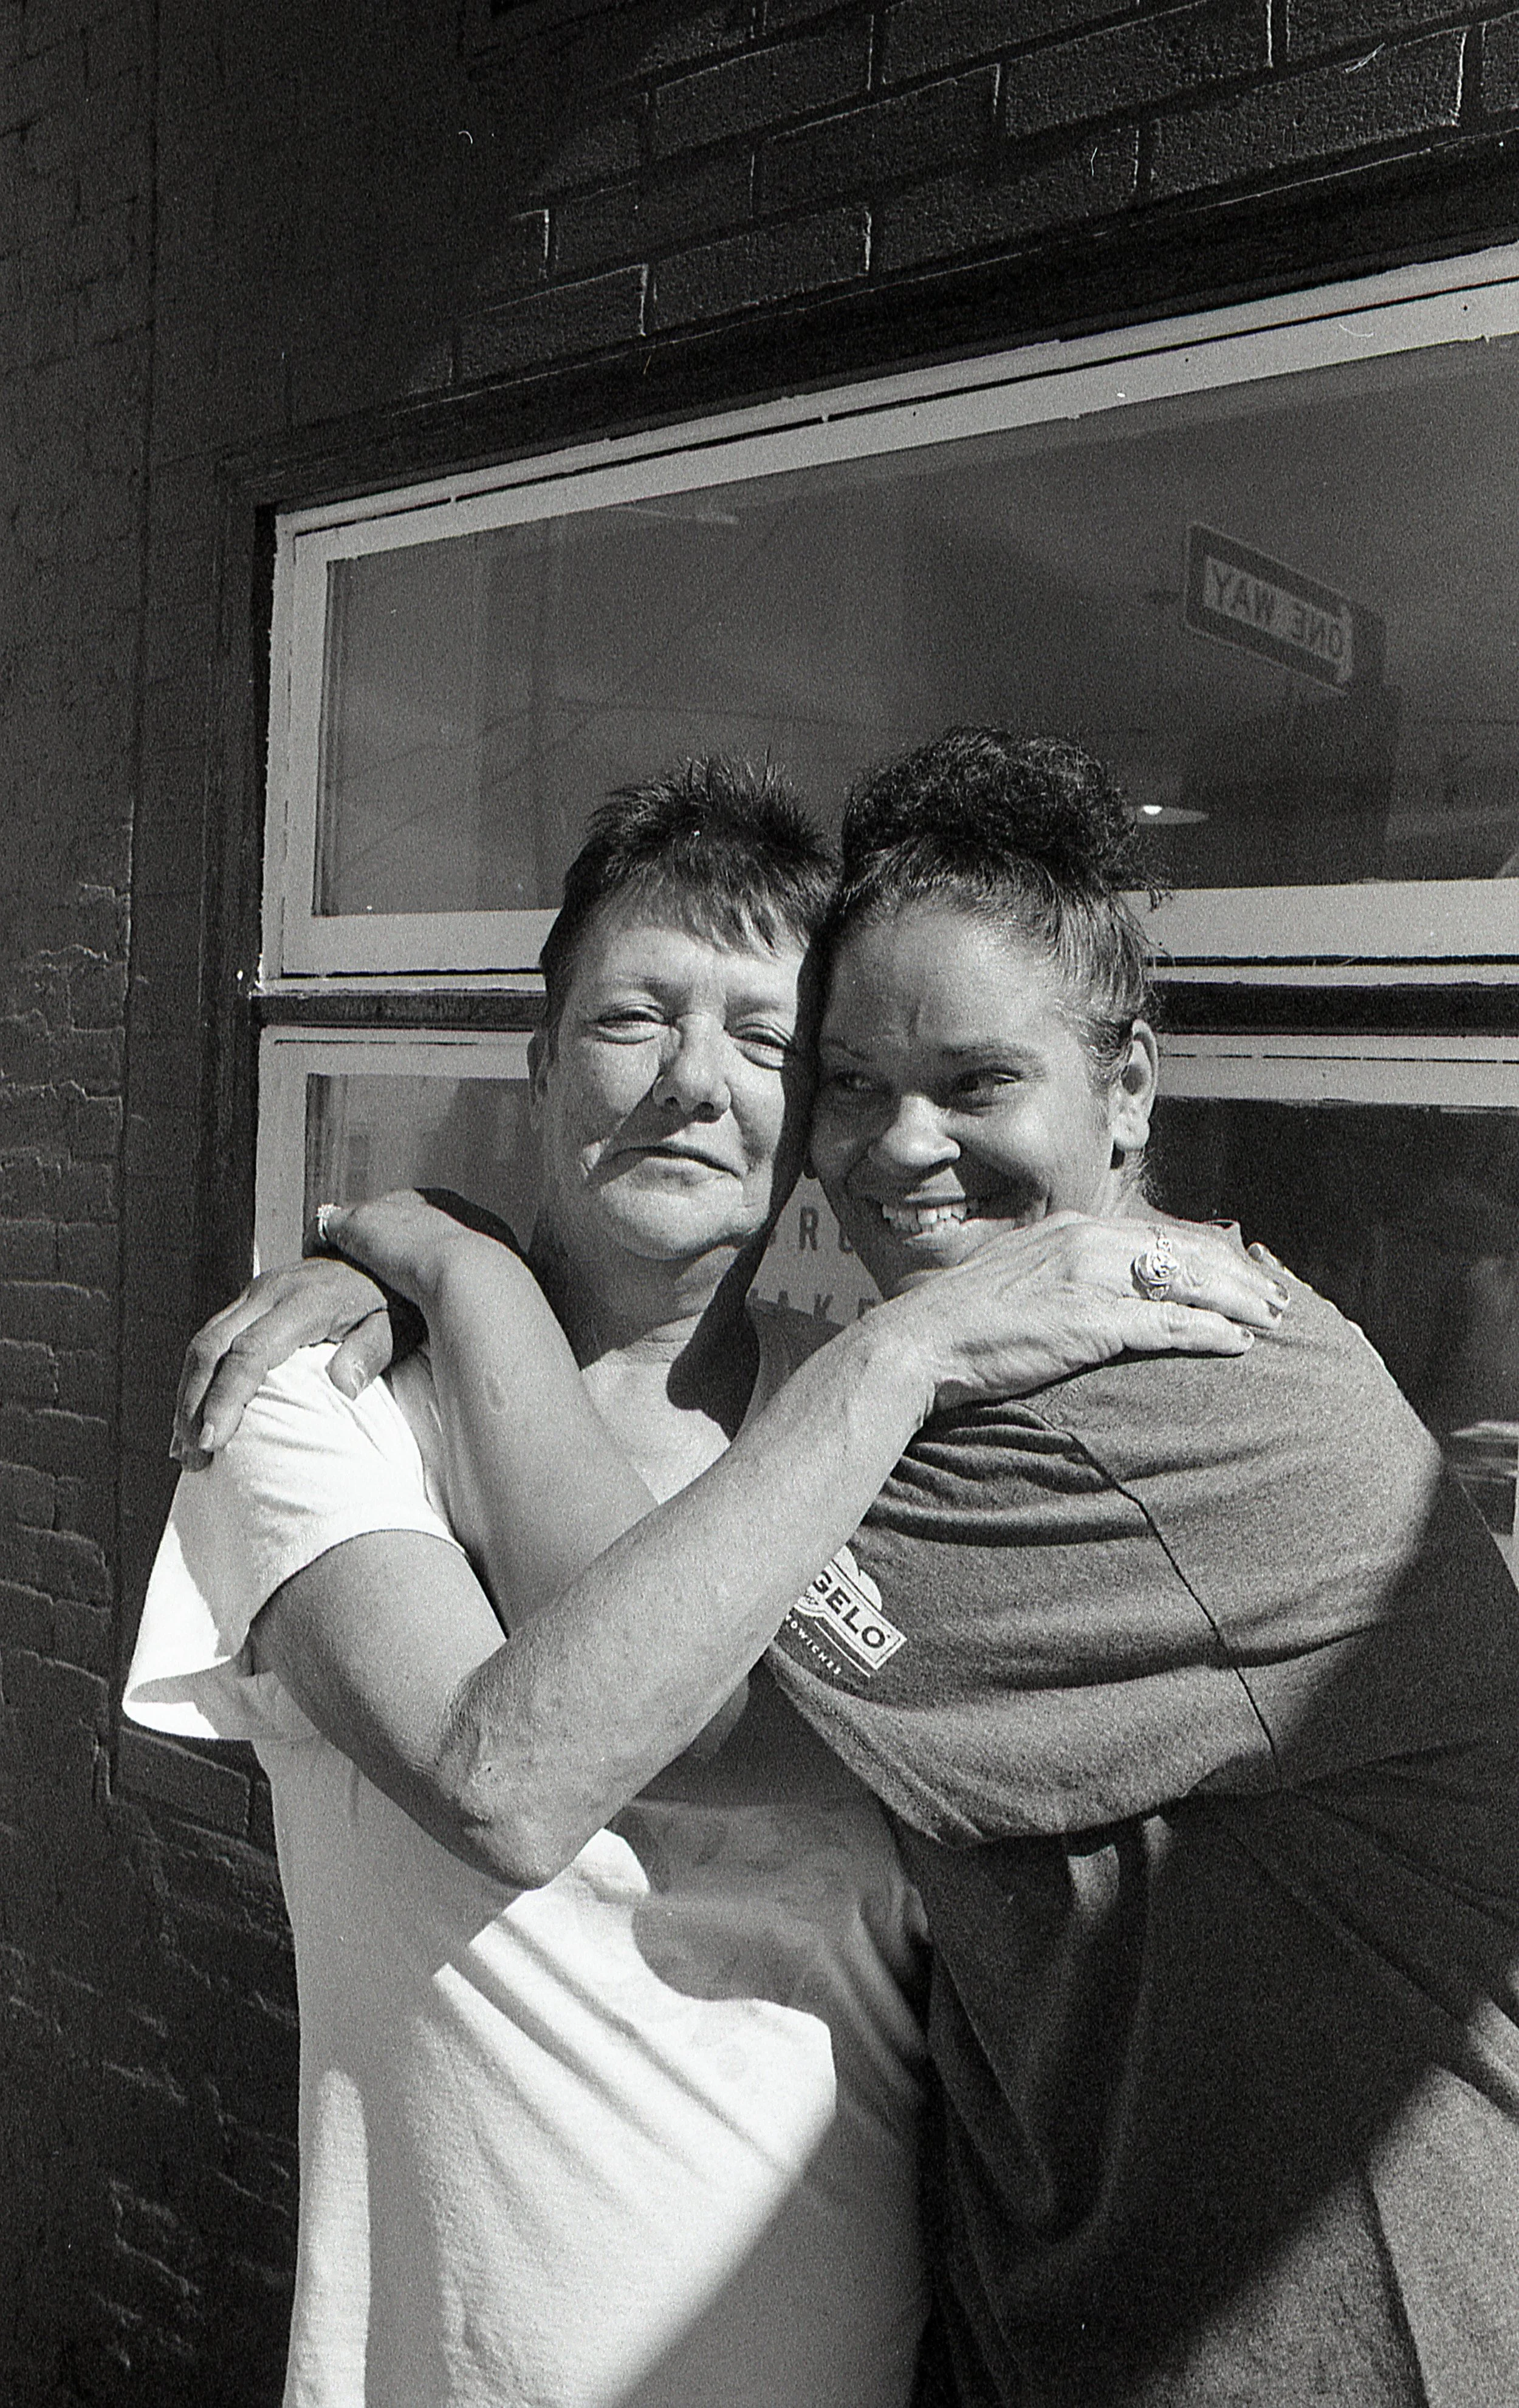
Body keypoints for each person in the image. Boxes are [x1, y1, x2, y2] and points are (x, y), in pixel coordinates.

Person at [130, 756, 1279, 2408]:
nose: (693, 1083)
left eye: (763, 1041)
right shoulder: (319, 1403)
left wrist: (457, 1247)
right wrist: (441, 1260)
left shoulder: (890, 1456)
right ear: (535, 1060)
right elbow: (506, 1779)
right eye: (630, 1020)